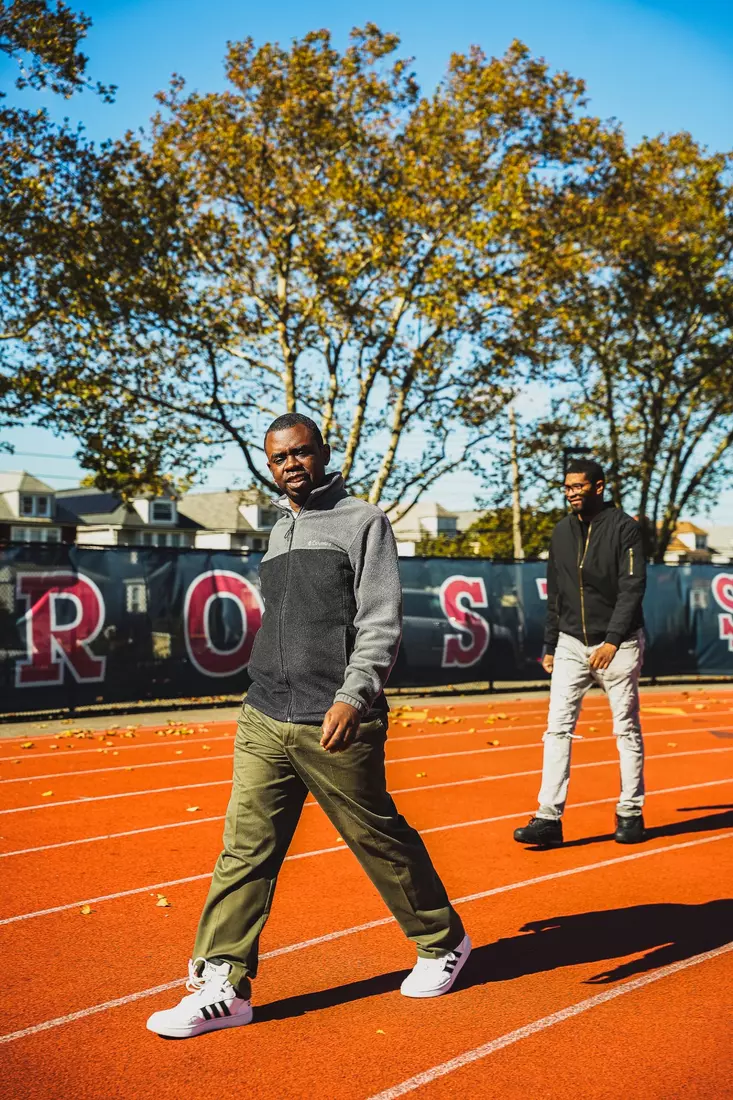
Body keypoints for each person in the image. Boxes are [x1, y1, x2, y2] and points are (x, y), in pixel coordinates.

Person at [147, 413, 470, 1039]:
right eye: (278, 459)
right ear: (270, 467)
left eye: (300, 453)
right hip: (265, 714)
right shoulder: (280, 529)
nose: (290, 465)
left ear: (321, 453)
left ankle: (442, 939)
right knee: (244, 851)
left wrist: (354, 695)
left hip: (335, 721)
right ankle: (224, 984)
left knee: (378, 840)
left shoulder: (362, 522)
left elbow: (380, 620)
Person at [514, 458, 647, 849]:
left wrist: (612, 641)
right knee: (556, 727)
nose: (571, 492)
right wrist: (550, 643)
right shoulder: (560, 533)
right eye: (567, 487)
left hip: (618, 644)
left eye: (578, 486)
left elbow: (632, 588)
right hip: (570, 643)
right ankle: (548, 818)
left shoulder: (625, 529)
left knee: (625, 728)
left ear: (599, 487)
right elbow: (555, 592)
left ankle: (630, 812)